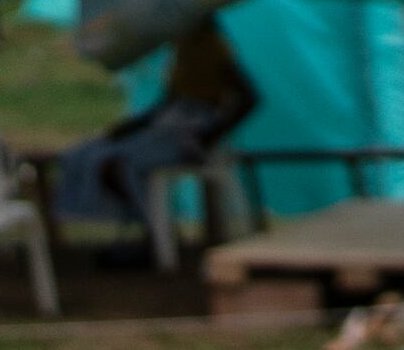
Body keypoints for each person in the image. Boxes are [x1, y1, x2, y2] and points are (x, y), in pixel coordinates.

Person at [50, 15, 262, 253]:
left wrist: (208, 137)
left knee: (122, 164)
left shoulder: (215, 50)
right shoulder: (183, 52)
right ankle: (150, 232)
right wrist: (131, 127)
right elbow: (168, 102)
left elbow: (249, 98)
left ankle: (155, 236)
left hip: (187, 133)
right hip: (167, 126)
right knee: (88, 155)